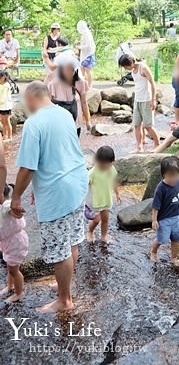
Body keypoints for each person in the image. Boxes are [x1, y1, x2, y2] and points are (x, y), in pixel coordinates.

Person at [11, 81, 88, 313]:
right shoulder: (64, 113)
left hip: (58, 193)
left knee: (58, 249)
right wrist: (37, 186)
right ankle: (65, 285)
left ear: (31, 99)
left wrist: (16, 198)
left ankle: (64, 300)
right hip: (77, 183)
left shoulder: (33, 124)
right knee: (71, 240)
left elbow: (26, 168)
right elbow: (60, 150)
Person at [150, 155, 179, 265]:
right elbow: (155, 206)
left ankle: (174, 258)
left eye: (176, 174)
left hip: (177, 217)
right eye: (170, 175)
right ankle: (153, 252)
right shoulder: (161, 188)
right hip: (164, 219)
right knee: (161, 239)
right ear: (164, 174)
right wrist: (154, 220)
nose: (174, 178)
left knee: (176, 238)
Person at [117, 54, 159, 152]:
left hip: (147, 100)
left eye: (125, 66)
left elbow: (153, 83)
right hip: (138, 99)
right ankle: (139, 147)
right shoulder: (133, 70)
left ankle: (157, 144)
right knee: (137, 125)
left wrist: (153, 100)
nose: (125, 68)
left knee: (148, 126)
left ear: (131, 62)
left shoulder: (143, 68)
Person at [47, 50, 91, 137]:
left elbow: (84, 103)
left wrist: (87, 121)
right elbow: (48, 105)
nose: (69, 72)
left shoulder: (81, 83)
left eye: (72, 69)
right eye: (66, 69)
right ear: (61, 70)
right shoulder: (53, 85)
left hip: (75, 124)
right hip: (59, 125)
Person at [0, 183, 29, 303]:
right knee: (9, 265)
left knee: (14, 270)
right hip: (8, 242)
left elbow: (11, 211)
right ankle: (10, 285)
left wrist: (16, 212)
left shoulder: (6, 205)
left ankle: (19, 293)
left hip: (16, 242)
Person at [86, 146, 121, 244]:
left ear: (112, 162)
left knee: (105, 219)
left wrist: (117, 193)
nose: (104, 165)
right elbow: (84, 185)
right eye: (101, 163)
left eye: (107, 163)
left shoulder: (111, 170)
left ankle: (104, 235)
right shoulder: (92, 173)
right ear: (97, 160)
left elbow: (113, 181)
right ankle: (90, 231)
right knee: (96, 220)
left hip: (106, 199)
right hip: (95, 201)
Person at [77, 20, 96, 88]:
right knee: (82, 69)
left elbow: (88, 45)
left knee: (88, 70)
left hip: (89, 54)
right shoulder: (84, 33)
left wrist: (80, 47)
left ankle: (89, 85)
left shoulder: (87, 34)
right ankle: (81, 85)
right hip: (84, 54)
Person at [0, 70, 13, 139]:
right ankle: (5, 136)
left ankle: (10, 136)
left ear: (3, 77)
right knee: (3, 122)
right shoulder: (0, 85)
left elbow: (3, 97)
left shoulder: (6, 85)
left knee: (7, 122)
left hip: (6, 106)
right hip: (1, 106)